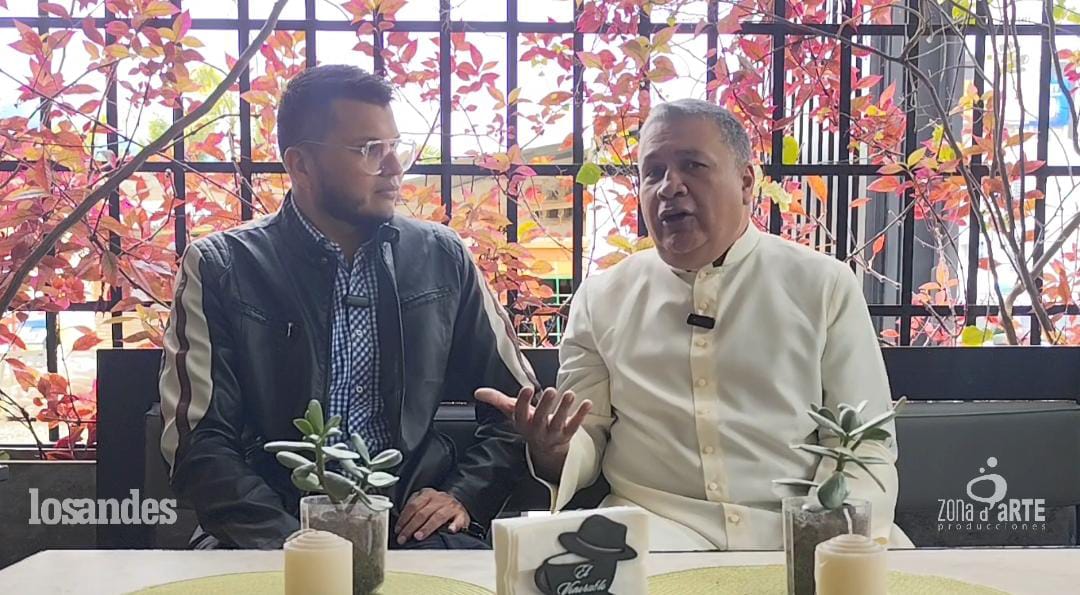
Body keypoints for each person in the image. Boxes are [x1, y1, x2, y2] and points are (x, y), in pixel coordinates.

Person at [477, 98, 911, 551]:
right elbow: (588, 434)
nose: (670, 187)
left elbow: (862, 444)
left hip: (798, 530)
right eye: (653, 172)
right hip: (651, 534)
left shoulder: (822, 285)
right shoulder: (602, 298)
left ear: (746, 182)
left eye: (692, 165)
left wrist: (819, 542)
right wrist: (554, 447)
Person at [159, 65, 535, 550]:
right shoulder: (222, 267)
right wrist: (299, 547)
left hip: (410, 529)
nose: (394, 166)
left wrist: (463, 495)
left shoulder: (441, 257)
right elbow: (199, 443)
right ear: (301, 165)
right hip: (263, 533)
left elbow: (516, 409)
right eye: (369, 149)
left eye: (395, 146)